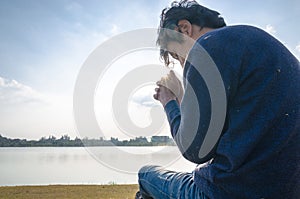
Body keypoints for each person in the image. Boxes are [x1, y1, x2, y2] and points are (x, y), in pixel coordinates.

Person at [136, 0, 300, 199]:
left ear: (184, 29)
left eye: (177, 56)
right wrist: (185, 101)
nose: (182, 64)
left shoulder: (206, 46)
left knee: (145, 174)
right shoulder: (258, 45)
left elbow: (195, 151)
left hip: (228, 192)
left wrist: (169, 100)